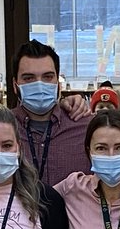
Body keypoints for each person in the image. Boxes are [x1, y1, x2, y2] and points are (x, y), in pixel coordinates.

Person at [11, 40, 90, 186]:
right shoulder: (2, 127)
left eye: (47, 77)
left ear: (58, 83)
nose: (39, 84)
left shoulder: (86, 127)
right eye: (29, 78)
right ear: (15, 85)